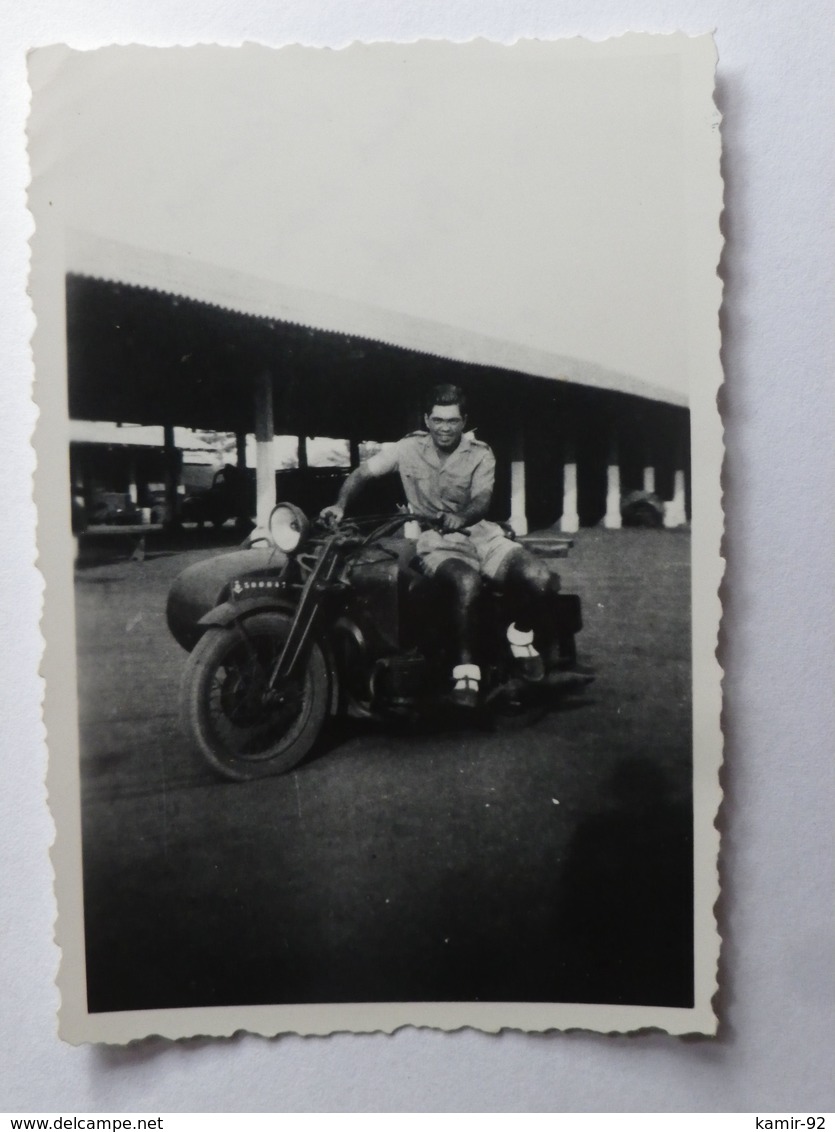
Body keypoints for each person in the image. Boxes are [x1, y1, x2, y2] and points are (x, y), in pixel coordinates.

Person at [321, 384, 576, 708]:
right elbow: (361, 474)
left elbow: (482, 500)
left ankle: (520, 635)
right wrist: (340, 505)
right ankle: (466, 670)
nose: (445, 427)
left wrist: (462, 516)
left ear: (464, 421)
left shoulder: (481, 453)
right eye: (438, 420)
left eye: (452, 421)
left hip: (484, 536)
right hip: (438, 543)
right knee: (466, 583)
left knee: (540, 579)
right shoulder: (406, 449)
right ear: (427, 420)